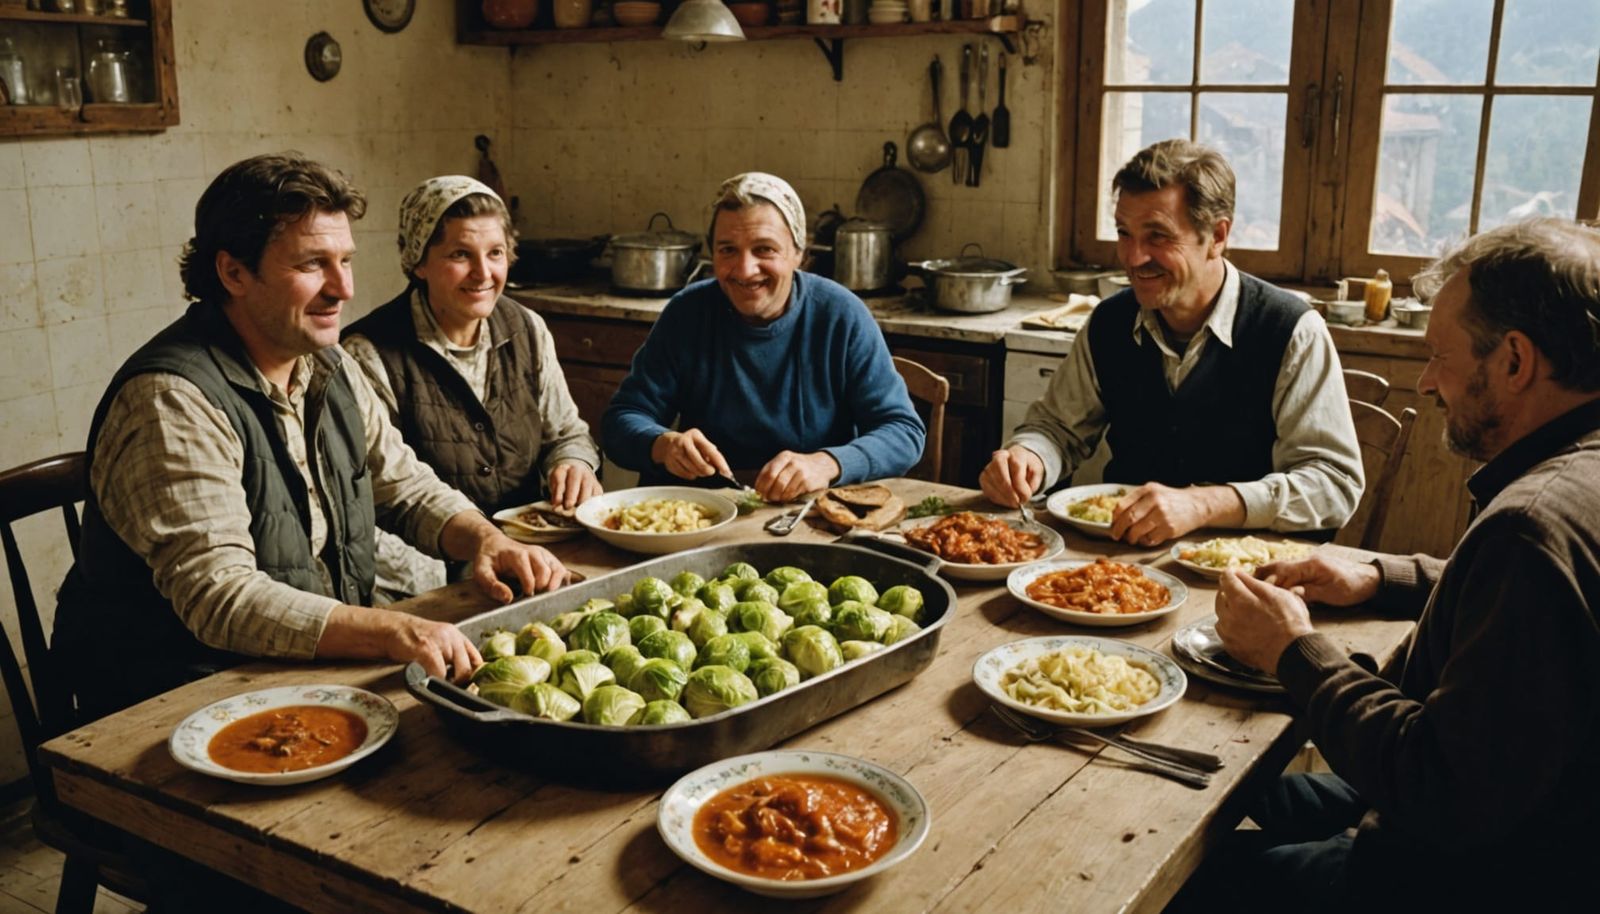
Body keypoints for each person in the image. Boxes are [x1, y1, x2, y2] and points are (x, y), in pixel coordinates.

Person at [53, 153, 573, 724]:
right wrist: (393, 626)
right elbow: (221, 598)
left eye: (346, 260)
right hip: (169, 700)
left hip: (292, 673)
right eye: (312, 265)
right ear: (233, 273)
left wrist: (484, 540)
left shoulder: (329, 363)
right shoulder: (171, 399)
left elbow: (402, 484)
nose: (343, 288)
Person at [1202, 218, 1600, 910]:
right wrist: (1383, 576)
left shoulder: (1532, 525)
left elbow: (1441, 787)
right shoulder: (1574, 482)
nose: (1425, 383)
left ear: (1514, 361)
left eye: (1441, 357)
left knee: (1187, 875)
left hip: (1472, 876)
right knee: (1226, 783)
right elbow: (1527, 609)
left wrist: (1295, 652)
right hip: (1522, 823)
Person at [979, 139, 1362, 546]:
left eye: (1157, 236)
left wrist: (1204, 505)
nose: (1133, 257)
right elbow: (1057, 429)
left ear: (1217, 235)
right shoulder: (1109, 323)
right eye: (1124, 233)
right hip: (1119, 568)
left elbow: (1333, 484)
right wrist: (1029, 457)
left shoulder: (1291, 331)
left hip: (1248, 575)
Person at [343, 176, 602, 596]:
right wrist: (462, 576)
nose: (484, 274)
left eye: (495, 253)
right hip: (426, 581)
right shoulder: (366, 355)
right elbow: (376, 500)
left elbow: (567, 432)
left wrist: (574, 464)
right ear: (419, 262)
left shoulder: (527, 329)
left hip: (534, 556)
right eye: (461, 254)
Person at [601, 172, 925, 503]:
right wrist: (663, 444)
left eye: (764, 249)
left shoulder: (840, 315)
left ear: (800, 253)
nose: (744, 270)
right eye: (727, 250)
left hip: (808, 515)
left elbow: (903, 432)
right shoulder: (687, 313)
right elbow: (620, 422)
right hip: (702, 513)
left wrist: (828, 463)